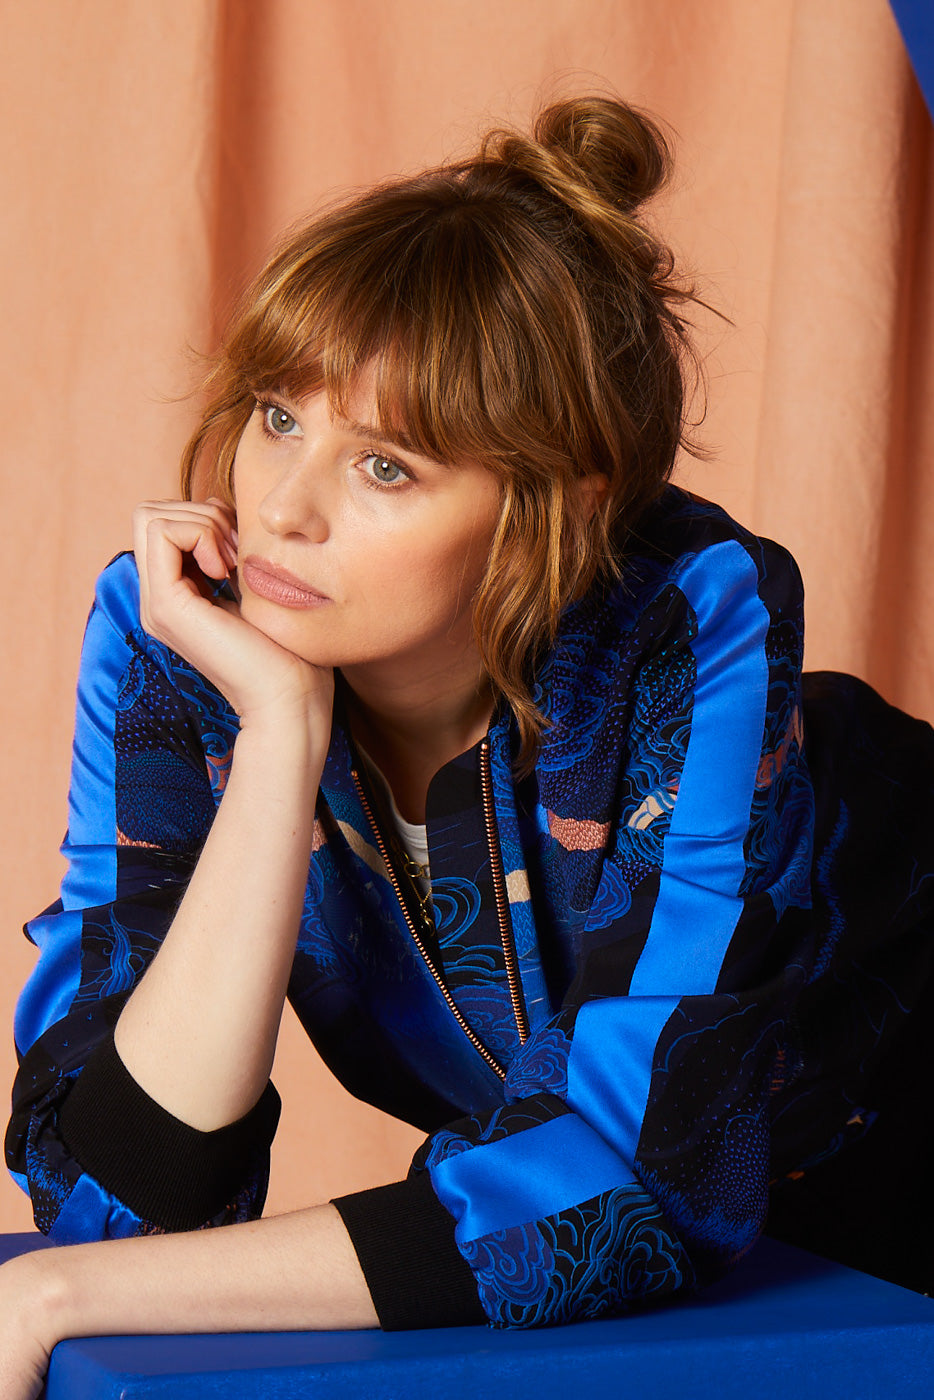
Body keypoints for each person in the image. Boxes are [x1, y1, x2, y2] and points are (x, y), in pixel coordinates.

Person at [3, 93, 933, 1394]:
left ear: (560, 505)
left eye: (386, 466)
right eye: (278, 416)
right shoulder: (186, 633)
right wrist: (278, 735)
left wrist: (54, 1297)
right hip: (740, 1278)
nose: (285, 508)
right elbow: (112, 1186)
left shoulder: (683, 621)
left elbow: (632, 1178)